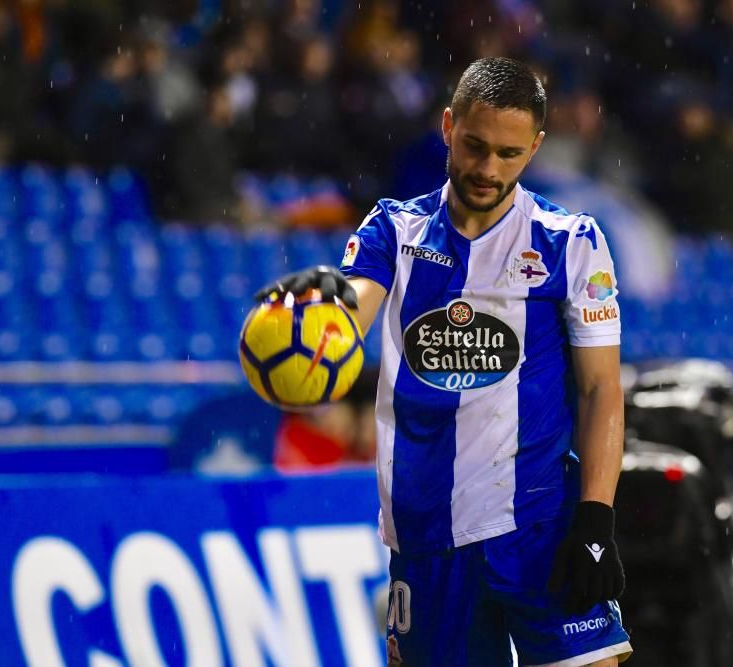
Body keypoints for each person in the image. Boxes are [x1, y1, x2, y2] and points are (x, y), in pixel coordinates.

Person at [257, 57, 632, 666]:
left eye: (509, 154)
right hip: (427, 535)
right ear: (448, 126)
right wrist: (323, 305)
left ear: (535, 147)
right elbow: (355, 307)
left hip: (541, 525)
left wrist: (595, 520)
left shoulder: (571, 242)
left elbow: (600, 391)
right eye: (475, 145)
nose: (488, 169)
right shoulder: (393, 229)